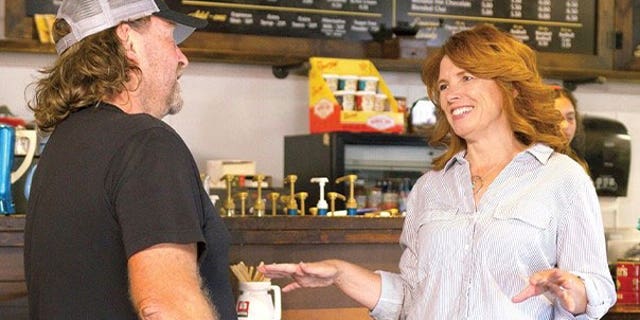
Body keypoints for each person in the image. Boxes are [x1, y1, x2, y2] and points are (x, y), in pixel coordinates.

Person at [259, 24, 616, 319]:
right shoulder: (430, 188)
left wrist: (575, 289)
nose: (451, 95)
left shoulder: (561, 179)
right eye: (444, 86)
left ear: (509, 85)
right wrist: (340, 272)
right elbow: (412, 298)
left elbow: (598, 288)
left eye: (467, 78)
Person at [23, 0, 236, 319]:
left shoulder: (62, 145)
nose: (182, 58)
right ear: (127, 39)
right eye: (170, 37)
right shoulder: (147, 143)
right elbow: (166, 306)